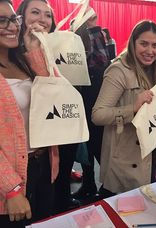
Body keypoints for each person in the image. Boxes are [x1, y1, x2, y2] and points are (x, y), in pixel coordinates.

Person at [17, 0, 79, 214]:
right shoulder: (10, 56)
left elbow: (51, 93)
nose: (42, 19)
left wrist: (35, 50)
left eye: (47, 15)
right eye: (35, 12)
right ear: (20, 17)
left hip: (45, 151)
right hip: (16, 159)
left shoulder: (48, 54)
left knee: (44, 211)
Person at [0, 0, 59, 225]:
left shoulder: (22, 60)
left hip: (41, 163)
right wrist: (12, 188)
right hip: (9, 175)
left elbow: (53, 94)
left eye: (13, 19)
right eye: (1, 20)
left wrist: (33, 49)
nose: (12, 26)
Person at [92, 20, 156, 195]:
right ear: (133, 43)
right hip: (123, 160)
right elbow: (98, 115)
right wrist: (132, 108)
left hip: (144, 155)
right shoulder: (119, 70)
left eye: (155, 45)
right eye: (144, 44)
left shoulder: (152, 69)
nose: (150, 51)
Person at [71, 8, 112, 201]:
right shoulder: (75, 35)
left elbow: (102, 63)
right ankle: (88, 184)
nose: (91, 19)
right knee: (85, 144)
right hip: (79, 96)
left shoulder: (97, 35)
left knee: (96, 145)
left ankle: (108, 186)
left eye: (92, 16)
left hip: (93, 97)